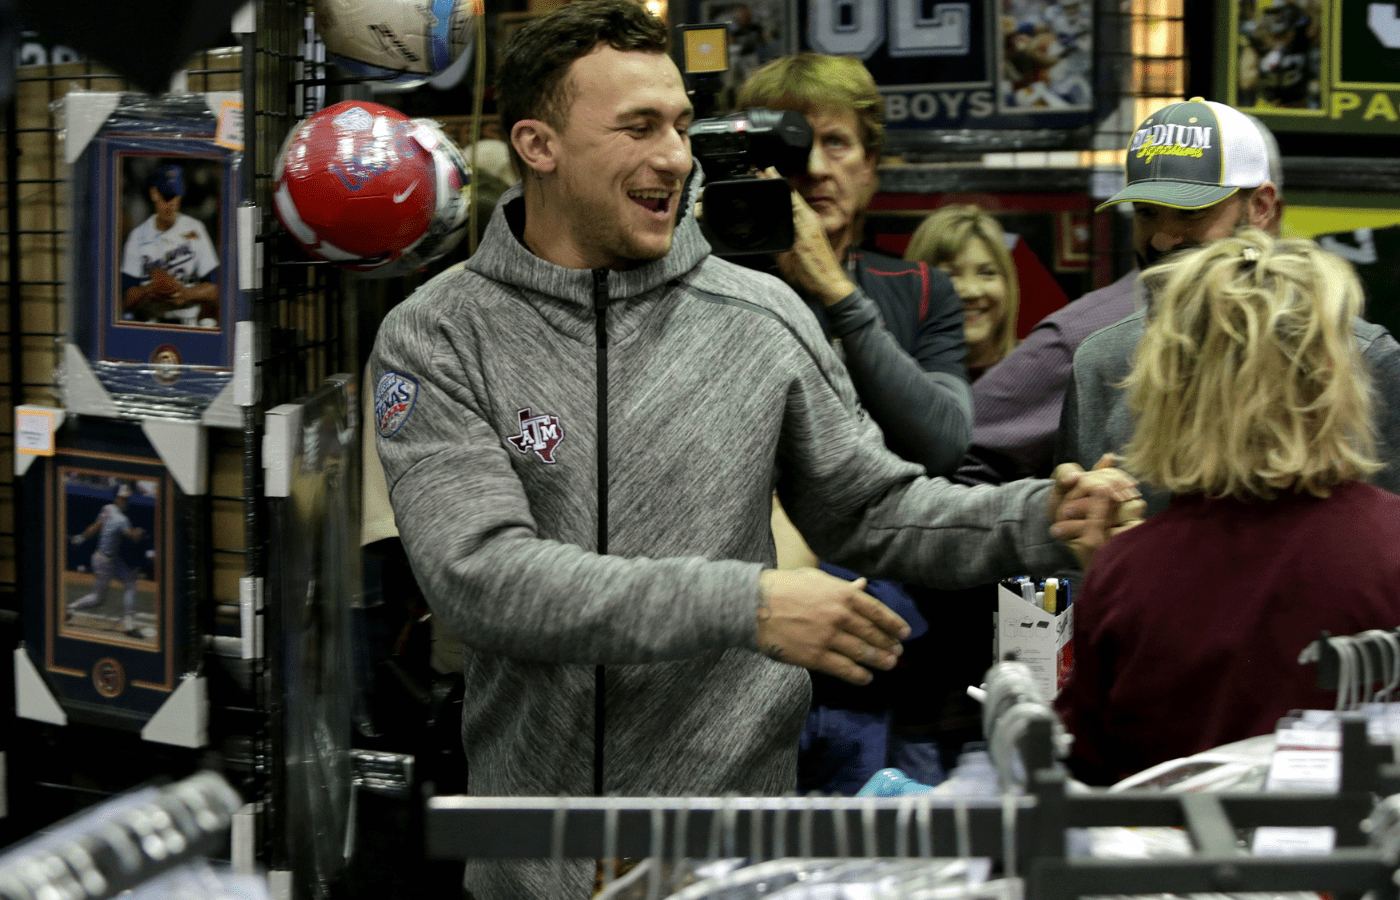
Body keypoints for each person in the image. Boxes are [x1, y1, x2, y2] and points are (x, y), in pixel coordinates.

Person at [367, 3, 1137, 897]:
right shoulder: (439, 336)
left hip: (732, 854)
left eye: (683, 125)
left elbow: (874, 508)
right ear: (539, 146)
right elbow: (483, 579)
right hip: (533, 856)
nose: (676, 158)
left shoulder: (761, 315)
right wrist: (750, 603)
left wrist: (1041, 516)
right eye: (639, 127)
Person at [1055, 231, 1400, 785]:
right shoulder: (1391, 546)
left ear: (1169, 386)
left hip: (1175, 868)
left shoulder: (1127, 573)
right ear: (1336, 377)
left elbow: (1080, 781)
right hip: (1353, 869)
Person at [1056, 97, 1400, 515]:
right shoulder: (1102, 362)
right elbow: (1071, 554)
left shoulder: (1362, 360)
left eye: (1188, 213)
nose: (1163, 239)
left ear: (1261, 207)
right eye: (1146, 213)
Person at [735, 52, 973, 477]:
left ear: (869, 164)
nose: (814, 168)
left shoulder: (920, 289)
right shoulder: (722, 283)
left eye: (836, 142)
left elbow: (944, 445)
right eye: (795, 144)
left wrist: (839, 294)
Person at [904, 204, 1021, 382]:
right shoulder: (889, 378)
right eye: (949, 275)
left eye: (987, 273)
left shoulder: (1039, 372)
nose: (971, 291)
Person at [121, 162, 220, 326]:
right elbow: (126, 299)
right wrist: (152, 289)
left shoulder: (195, 229)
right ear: (154, 194)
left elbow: (214, 290)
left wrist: (185, 293)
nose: (171, 204)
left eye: (175, 196)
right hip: (150, 324)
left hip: (188, 324)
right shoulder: (137, 236)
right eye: (166, 197)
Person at [67, 482, 145, 638]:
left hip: (110, 559)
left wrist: (79, 538)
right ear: (117, 499)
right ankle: (70, 608)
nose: (125, 502)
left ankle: (129, 626)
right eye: (122, 499)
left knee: (130, 583)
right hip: (103, 562)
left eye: (126, 499)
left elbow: (96, 526)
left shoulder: (107, 508)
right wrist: (140, 531)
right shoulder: (121, 519)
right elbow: (133, 537)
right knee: (98, 599)